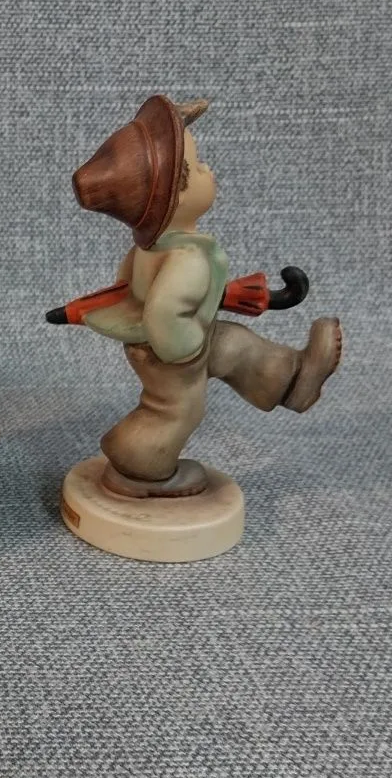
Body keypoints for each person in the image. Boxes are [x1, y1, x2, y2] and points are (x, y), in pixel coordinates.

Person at [71, 95, 342, 498]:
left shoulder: (150, 250)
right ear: (174, 198)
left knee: (235, 345)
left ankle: (294, 379)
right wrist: (188, 350)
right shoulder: (186, 261)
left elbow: (129, 290)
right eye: (197, 167)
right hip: (173, 351)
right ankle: (141, 465)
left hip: (170, 340)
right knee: (178, 408)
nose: (208, 169)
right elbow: (163, 311)